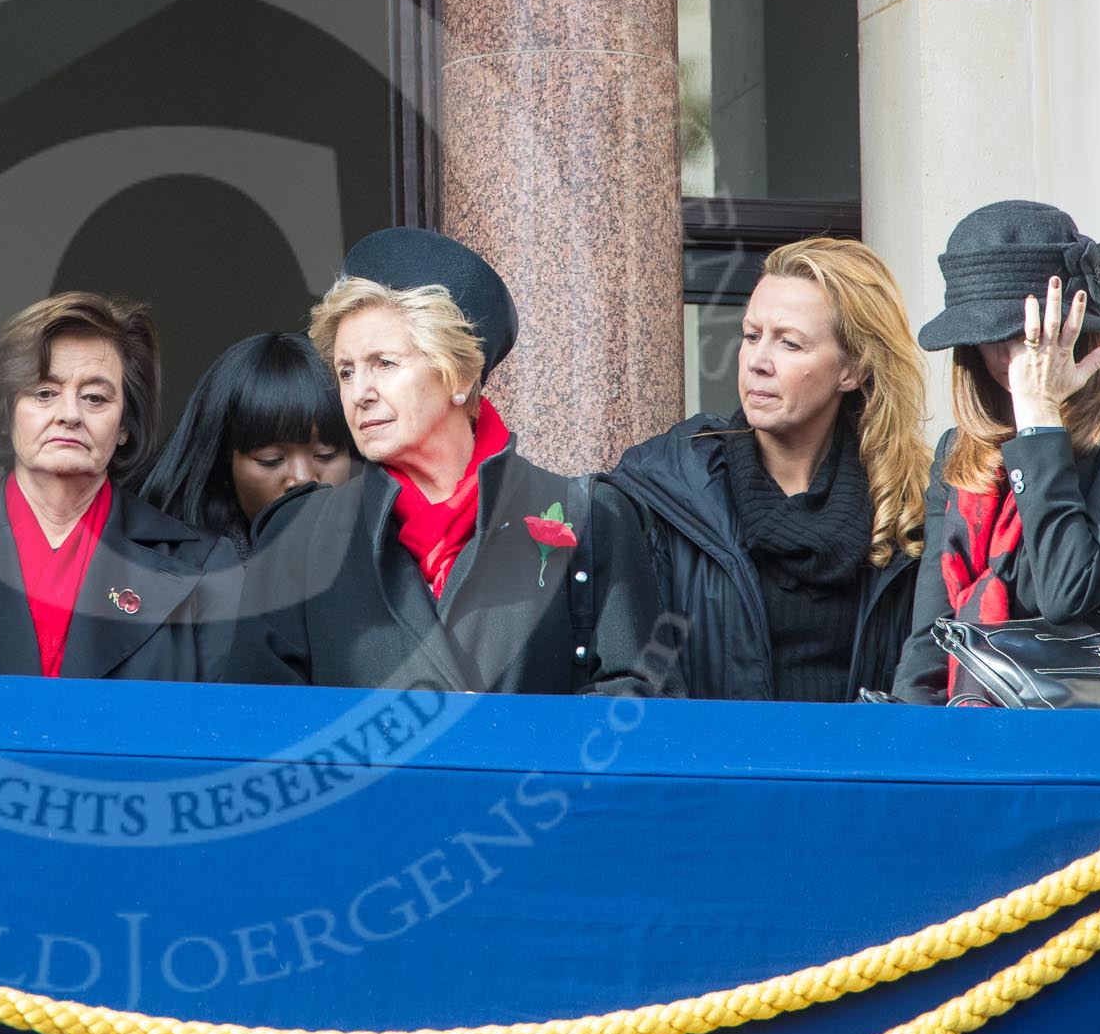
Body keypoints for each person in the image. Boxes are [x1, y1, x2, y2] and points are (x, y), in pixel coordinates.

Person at [227, 228, 680, 695]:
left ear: (459, 376)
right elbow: (258, 726)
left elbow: (641, 708)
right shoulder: (300, 535)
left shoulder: (592, 519)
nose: (359, 393)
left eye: (384, 363)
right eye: (346, 371)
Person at [607, 238, 929, 701]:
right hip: (716, 770)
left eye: (789, 343)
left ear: (852, 370)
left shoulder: (909, 509)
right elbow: (636, 685)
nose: (757, 362)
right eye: (752, 335)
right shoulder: (665, 489)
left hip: (859, 770)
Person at [0, 292, 241, 680]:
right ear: (6, 413)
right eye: (44, 393)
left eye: (95, 398)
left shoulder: (202, 568)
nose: (69, 414)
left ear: (124, 426)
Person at [894, 201, 1100, 703]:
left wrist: (1037, 417)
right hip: (978, 734)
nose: (1017, 359)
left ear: (1074, 328)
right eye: (999, 337)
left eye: (1032, 335)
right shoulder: (958, 451)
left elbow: (1068, 588)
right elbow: (929, 642)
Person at [139, 332, 357, 556]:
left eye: (325, 454)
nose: (302, 478)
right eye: (271, 459)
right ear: (226, 462)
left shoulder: (387, 557)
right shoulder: (171, 574)